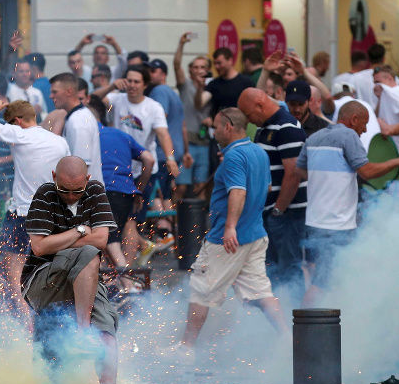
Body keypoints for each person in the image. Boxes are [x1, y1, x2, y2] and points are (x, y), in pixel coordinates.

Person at [161, 108, 288, 364]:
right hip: (255, 235)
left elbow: (238, 192)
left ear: (228, 127)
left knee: (200, 289)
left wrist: (230, 227)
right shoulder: (259, 152)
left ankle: (186, 348)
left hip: (226, 240)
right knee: (261, 291)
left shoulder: (234, 157)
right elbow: (267, 187)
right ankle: (288, 339)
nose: (214, 132)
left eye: (217, 127)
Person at [22, 156, 119, 384]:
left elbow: (101, 240)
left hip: (85, 278)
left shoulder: (96, 191)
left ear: (87, 181)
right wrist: (78, 231)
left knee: (107, 330)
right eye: (65, 190)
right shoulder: (45, 194)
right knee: (88, 253)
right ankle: (80, 335)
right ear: (54, 177)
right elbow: (39, 247)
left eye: (77, 190)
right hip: (44, 276)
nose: (71, 196)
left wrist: (60, 240)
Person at [297, 101, 399, 307]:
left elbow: (300, 171)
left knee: (331, 279)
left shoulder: (314, 137)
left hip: (316, 221)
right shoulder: (348, 135)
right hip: (336, 224)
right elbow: (367, 171)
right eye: (364, 124)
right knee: (323, 282)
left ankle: (327, 327)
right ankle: (302, 330)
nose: (364, 130)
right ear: (354, 120)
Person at [0, 100, 71, 310]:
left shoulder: (19, 134)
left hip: (24, 213)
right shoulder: (60, 142)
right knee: (50, 268)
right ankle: (51, 316)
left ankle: (26, 315)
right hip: (54, 214)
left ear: (17, 121)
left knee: (15, 267)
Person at [94, 65, 180, 263]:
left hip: (144, 171)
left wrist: (170, 158)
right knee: (119, 222)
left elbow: (163, 134)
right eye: (129, 81)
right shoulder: (117, 98)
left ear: (145, 84)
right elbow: (94, 103)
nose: (131, 85)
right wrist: (110, 87)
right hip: (118, 171)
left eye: (136, 82)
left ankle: (128, 270)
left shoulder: (153, 107)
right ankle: (135, 256)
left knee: (130, 220)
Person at [238, 88, 308, 303]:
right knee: (273, 271)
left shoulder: (286, 126)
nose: (250, 120)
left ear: (260, 105)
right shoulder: (265, 127)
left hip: (287, 214)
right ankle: (279, 320)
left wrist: (279, 209)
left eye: (249, 115)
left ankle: (295, 318)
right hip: (272, 213)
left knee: (288, 270)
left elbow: (294, 174)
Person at [99, 122, 155, 292]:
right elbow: (149, 159)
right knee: (108, 238)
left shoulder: (85, 135)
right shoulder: (121, 135)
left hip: (104, 190)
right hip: (126, 193)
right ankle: (115, 283)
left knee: (110, 240)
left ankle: (128, 284)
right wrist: (139, 189)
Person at [146, 58, 190, 241]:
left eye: (154, 71)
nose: (150, 74)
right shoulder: (173, 93)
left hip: (162, 153)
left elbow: (159, 120)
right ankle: (170, 233)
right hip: (174, 151)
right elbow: (183, 126)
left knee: (155, 193)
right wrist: (186, 151)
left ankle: (165, 231)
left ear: (163, 74)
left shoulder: (160, 91)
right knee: (165, 194)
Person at [174, 32, 212, 199]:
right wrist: (181, 45)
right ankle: (171, 221)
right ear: (190, 70)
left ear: (208, 70)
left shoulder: (212, 87)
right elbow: (176, 66)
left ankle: (200, 224)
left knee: (201, 186)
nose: (199, 70)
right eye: (195, 67)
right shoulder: (185, 84)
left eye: (202, 67)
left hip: (204, 143)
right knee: (181, 186)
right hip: (186, 143)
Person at [49, 73, 104, 182]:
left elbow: (80, 167)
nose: (51, 96)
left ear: (69, 92)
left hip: (85, 195)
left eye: (55, 92)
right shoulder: (76, 117)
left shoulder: (79, 121)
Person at [193, 47, 252, 116]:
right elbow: (199, 105)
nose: (216, 66)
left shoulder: (246, 82)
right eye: (214, 63)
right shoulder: (214, 84)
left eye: (219, 63)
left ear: (230, 61)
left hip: (239, 125)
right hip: (219, 125)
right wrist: (200, 87)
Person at [372, 65, 399, 157]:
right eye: (374, 83)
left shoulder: (395, 95)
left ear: (389, 79)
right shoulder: (385, 94)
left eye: (378, 82)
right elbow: (376, 116)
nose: (375, 86)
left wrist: (387, 128)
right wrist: (379, 97)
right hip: (389, 151)